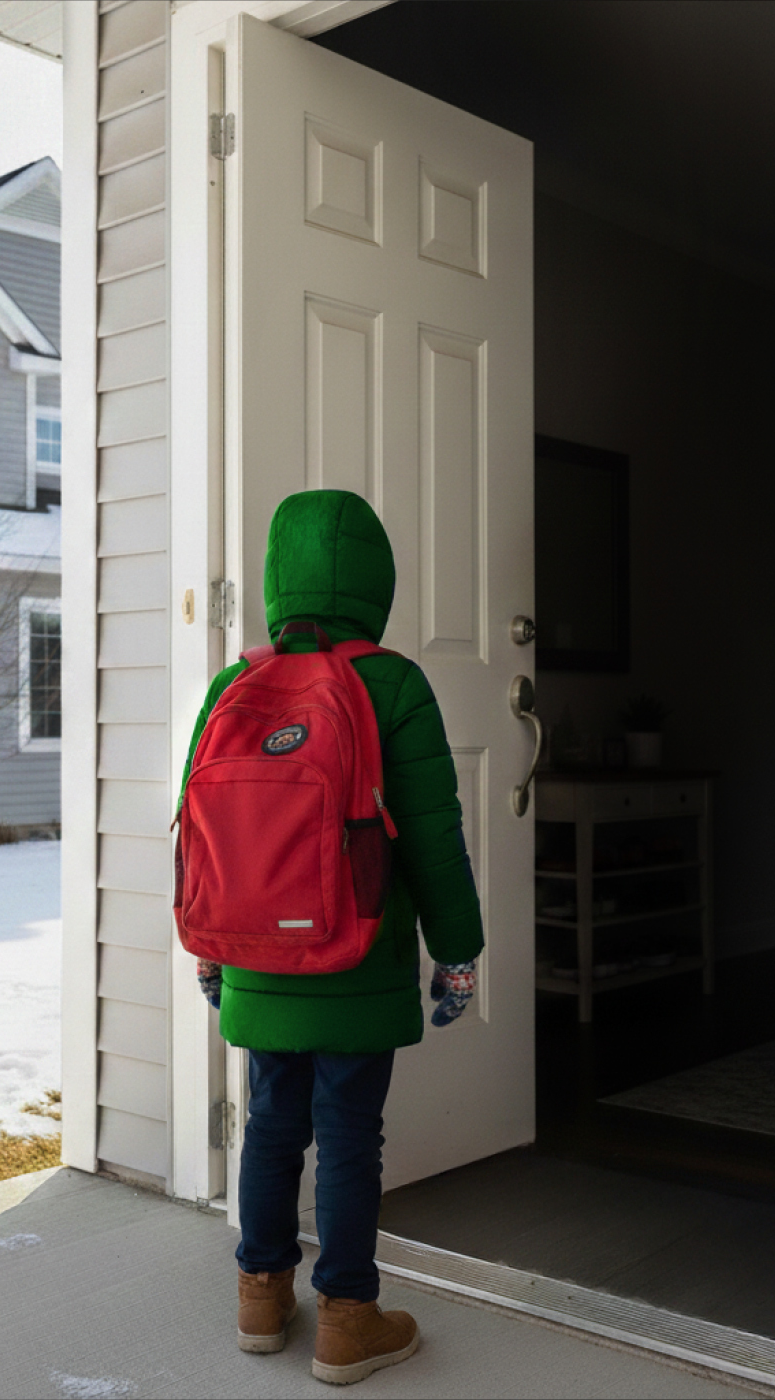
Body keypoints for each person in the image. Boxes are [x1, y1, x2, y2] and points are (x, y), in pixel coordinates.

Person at [182, 489, 484, 1386]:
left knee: (271, 1125)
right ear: (377, 580)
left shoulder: (233, 684)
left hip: (257, 963)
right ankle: (350, 1317)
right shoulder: (392, 683)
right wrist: (457, 952)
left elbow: (208, 839)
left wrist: (213, 949)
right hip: (359, 957)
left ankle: (260, 1296)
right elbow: (433, 836)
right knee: (350, 1133)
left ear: (278, 580)